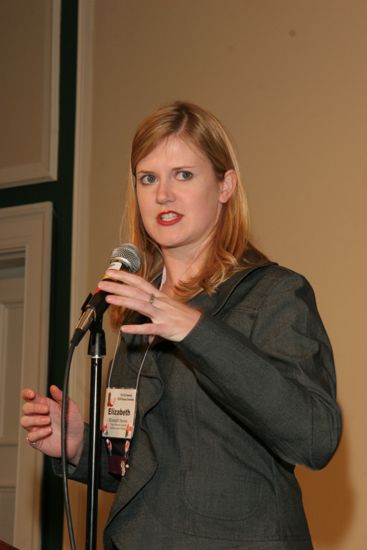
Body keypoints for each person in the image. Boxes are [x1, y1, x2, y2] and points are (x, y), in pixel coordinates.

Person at [21, 101, 341, 549]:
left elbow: (315, 437)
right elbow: (149, 471)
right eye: (148, 178)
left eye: (183, 175)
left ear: (225, 184)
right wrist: (81, 447)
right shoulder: (137, 307)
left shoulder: (273, 293)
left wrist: (196, 330)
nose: (162, 195)